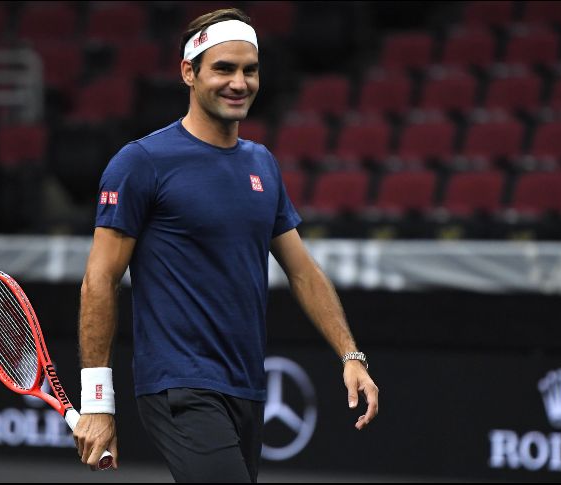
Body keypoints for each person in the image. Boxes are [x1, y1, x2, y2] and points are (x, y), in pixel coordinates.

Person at [73, 7, 379, 482]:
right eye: (224, 68)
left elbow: (302, 270)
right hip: (179, 385)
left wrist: (350, 356)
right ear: (188, 73)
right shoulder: (140, 163)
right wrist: (97, 402)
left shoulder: (262, 164)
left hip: (247, 388)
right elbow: (100, 278)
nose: (240, 82)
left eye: (249, 70)